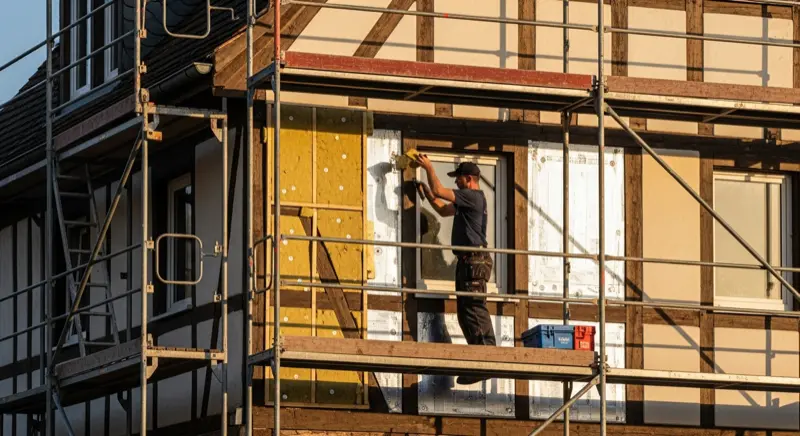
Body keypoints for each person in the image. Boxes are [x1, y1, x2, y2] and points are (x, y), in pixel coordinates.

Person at [414, 154, 496, 385]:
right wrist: (425, 193)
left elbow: (440, 190)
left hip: (474, 260)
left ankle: (489, 358)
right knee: (465, 313)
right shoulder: (466, 202)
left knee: (473, 309)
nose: (456, 184)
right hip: (468, 261)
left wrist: (428, 167)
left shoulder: (472, 196)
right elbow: (441, 209)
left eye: (458, 179)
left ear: (468, 179)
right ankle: (479, 362)